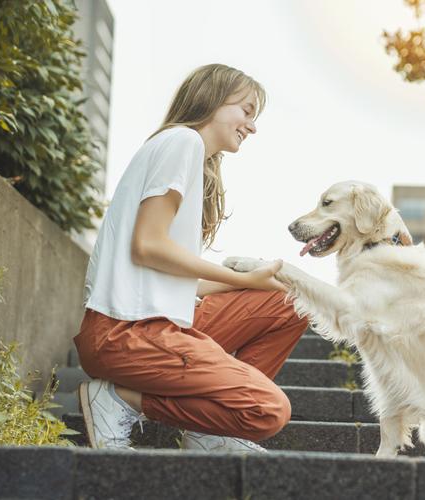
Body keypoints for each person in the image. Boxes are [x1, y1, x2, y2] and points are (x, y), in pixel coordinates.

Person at [74, 63, 309, 452]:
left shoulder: (185, 152)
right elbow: (147, 246)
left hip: (158, 323)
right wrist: (242, 279)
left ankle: (210, 434)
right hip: (124, 334)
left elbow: (162, 272)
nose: (251, 126)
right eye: (247, 111)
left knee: (289, 301)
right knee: (266, 409)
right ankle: (120, 399)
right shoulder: (183, 142)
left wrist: (256, 283)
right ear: (213, 100)